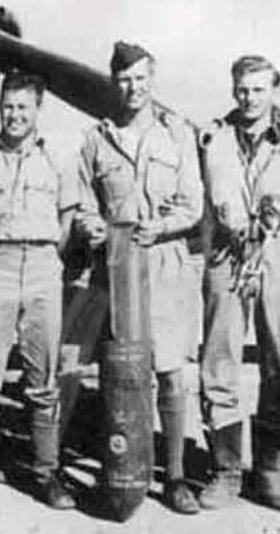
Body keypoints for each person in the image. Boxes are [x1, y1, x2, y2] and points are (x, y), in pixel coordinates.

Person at [75, 42, 205, 514]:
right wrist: (90, 224)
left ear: (154, 79)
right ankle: (124, 467)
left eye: (140, 78)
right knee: (123, 373)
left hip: (164, 264)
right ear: (115, 83)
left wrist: (162, 226)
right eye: (124, 80)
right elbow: (83, 202)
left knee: (170, 372)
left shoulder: (177, 135)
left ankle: (174, 477)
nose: (132, 88)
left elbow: (193, 204)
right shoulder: (95, 139)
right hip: (115, 269)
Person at [0, 71, 78, 512]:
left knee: (42, 379)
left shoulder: (59, 157)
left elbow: (66, 221)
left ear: (37, 109)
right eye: (8, 107)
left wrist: (43, 252)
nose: (14, 115)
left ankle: (46, 472)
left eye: (23, 107)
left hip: (42, 267)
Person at [199, 55, 280, 512]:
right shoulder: (216, 139)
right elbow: (223, 197)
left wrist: (258, 241)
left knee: (279, 358)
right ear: (233, 90)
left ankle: (268, 470)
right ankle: (224, 470)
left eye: (259, 90)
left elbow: (277, 200)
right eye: (243, 89)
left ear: (273, 91)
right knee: (219, 357)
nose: (250, 98)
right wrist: (238, 231)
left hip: (275, 252)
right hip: (227, 252)